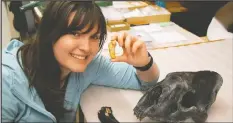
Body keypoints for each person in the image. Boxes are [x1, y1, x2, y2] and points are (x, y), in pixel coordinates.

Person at [2, 1, 160, 122]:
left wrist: (143, 63)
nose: (86, 48)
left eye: (94, 37)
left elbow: (144, 83)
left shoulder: (90, 65)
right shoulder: (7, 81)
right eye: (75, 33)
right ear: (49, 32)